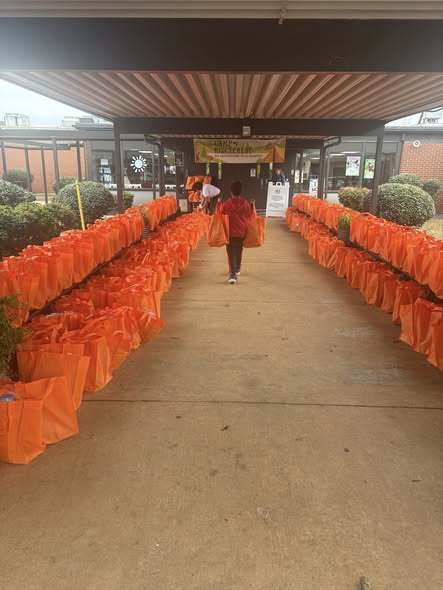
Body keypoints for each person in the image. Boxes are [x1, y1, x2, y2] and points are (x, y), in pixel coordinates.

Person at [221, 180, 253, 284]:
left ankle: (232, 275)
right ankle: (238, 268)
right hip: (242, 232)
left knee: (230, 253)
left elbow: (221, 214)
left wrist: (218, 204)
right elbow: (249, 215)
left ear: (231, 192)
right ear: (241, 191)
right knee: (239, 250)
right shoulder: (245, 203)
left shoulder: (227, 203)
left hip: (230, 232)